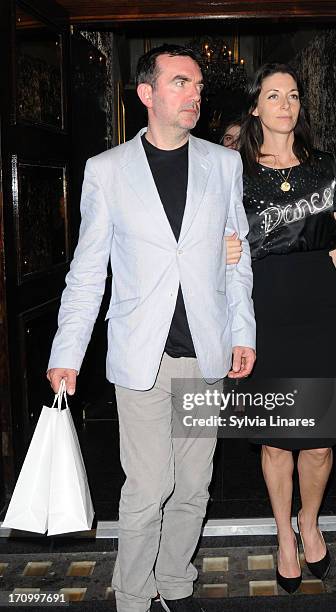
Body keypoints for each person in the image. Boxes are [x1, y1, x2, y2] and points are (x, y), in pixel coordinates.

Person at [46, 44, 256, 612]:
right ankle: (134, 597)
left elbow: (237, 261)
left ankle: (174, 586)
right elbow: (88, 272)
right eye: (181, 83)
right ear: (147, 93)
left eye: (197, 85)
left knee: (191, 487)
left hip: (204, 353)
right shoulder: (106, 171)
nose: (194, 94)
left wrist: (244, 334)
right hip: (143, 357)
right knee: (148, 487)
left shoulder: (223, 163)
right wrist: (67, 351)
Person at [226, 62, 336, 593]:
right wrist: (224, 249)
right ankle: (283, 533)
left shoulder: (327, 168)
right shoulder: (233, 174)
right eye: (273, 95)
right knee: (276, 443)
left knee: (319, 443)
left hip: (319, 312)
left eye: (292, 95)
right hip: (264, 313)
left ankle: (310, 521)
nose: (285, 104)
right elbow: (207, 237)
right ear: (256, 107)